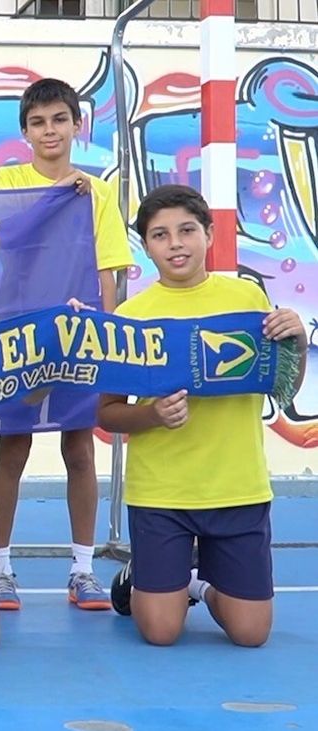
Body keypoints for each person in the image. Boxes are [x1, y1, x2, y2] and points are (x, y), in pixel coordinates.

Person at [101, 184, 305, 647]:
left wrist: (295, 345)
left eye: (186, 230)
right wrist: (151, 415)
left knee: (251, 634)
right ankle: (151, 576)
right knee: (160, 631)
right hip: (162, 492)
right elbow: (109, 414)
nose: (175, 243)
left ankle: (193, 584)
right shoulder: (130, 318)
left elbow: (284, 387)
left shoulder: (248, 299)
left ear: (209, 234)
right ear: (146, 246)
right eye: (160, 235)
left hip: (237, 486)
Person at [0, 78, 136, 611]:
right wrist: (56, 200)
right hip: (20, 331)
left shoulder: (97, 192)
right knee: (14, 445)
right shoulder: (10, 177)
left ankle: (82, 569)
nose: (49, 131)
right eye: (38, 122)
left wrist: (110, 336)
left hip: (79, 337)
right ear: (25, 132)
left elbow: (110, 271)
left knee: (78, 447)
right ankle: (0, 569)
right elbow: (10, 235)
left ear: (77, 124)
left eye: (59, 119)